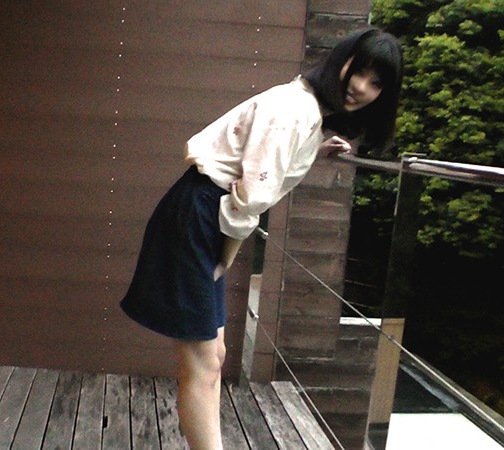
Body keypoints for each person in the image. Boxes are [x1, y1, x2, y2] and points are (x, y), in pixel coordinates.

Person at [119, 27, 404, 449]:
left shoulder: (303, 106)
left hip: (205, 210)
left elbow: (264, 156)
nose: (361, 87)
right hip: (204, 214)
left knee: (213, 357)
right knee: (202, 364)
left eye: (376, 82)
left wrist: (313, 150)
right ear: (339, 59)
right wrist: (227, 256)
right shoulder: (295, 110)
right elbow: (249, 198)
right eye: (357, 70)